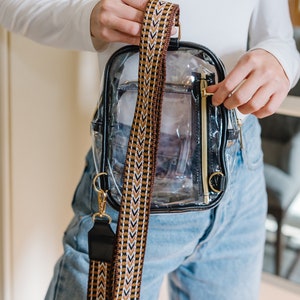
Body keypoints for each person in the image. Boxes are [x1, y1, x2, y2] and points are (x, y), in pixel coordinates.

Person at [1, 0, 300, 299]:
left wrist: (279, 61)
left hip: (240, 172)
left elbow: (279, 37)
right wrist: (86, 18)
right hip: (133, 172)